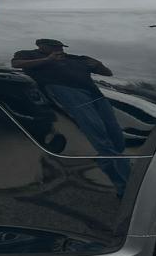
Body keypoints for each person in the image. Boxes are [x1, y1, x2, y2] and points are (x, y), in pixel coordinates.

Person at [11, 39, 128, 193]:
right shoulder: (28, 54)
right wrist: (48, 60)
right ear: (41, 46)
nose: (59, 50)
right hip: (67, 92)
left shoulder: (76, 58)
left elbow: (108, 73)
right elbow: (17, 64)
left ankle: (107, 163)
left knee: (116, 136)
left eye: (60, 47)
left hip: (95, 94)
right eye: (55, 47)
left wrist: (98, 65)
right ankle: (125, 183)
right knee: (98, 133)